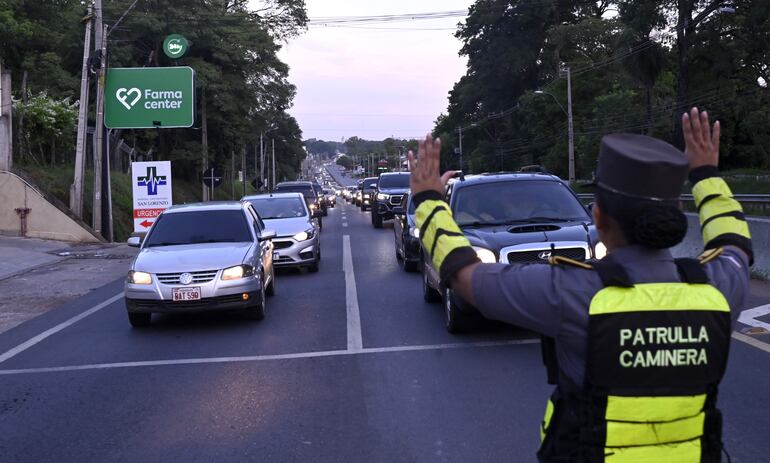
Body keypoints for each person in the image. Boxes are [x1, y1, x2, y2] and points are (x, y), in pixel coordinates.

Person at [408, 107, 752, 462]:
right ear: (678, 211)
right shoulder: (719, 286)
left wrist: (428, 201)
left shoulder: (572, 291)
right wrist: (707, 175)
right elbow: (734, 242)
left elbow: (465, 277)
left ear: (598, 217)